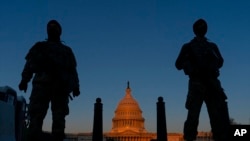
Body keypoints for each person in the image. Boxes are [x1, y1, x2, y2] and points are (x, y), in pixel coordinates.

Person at [18, 20, 80, 141]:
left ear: (59, 32)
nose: (52, 29)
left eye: (54, 27)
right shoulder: (40, 47)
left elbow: (72, 70)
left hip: (59, 88)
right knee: (36, 117)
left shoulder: (66, 51)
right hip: (43, 86)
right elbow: (30, 65)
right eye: (50, 27)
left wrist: (76, 86)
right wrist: (24, 80)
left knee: (58, 120)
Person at [175, 19, 230, 141]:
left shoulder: (212, 46)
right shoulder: (188, 47)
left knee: (216, 117)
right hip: (197, 84)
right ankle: (189, 138)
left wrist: (210, 65)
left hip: (211, 85)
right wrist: (189, 66)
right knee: (193, 118)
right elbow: (178, 64)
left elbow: (220, 62)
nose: (202, 30)